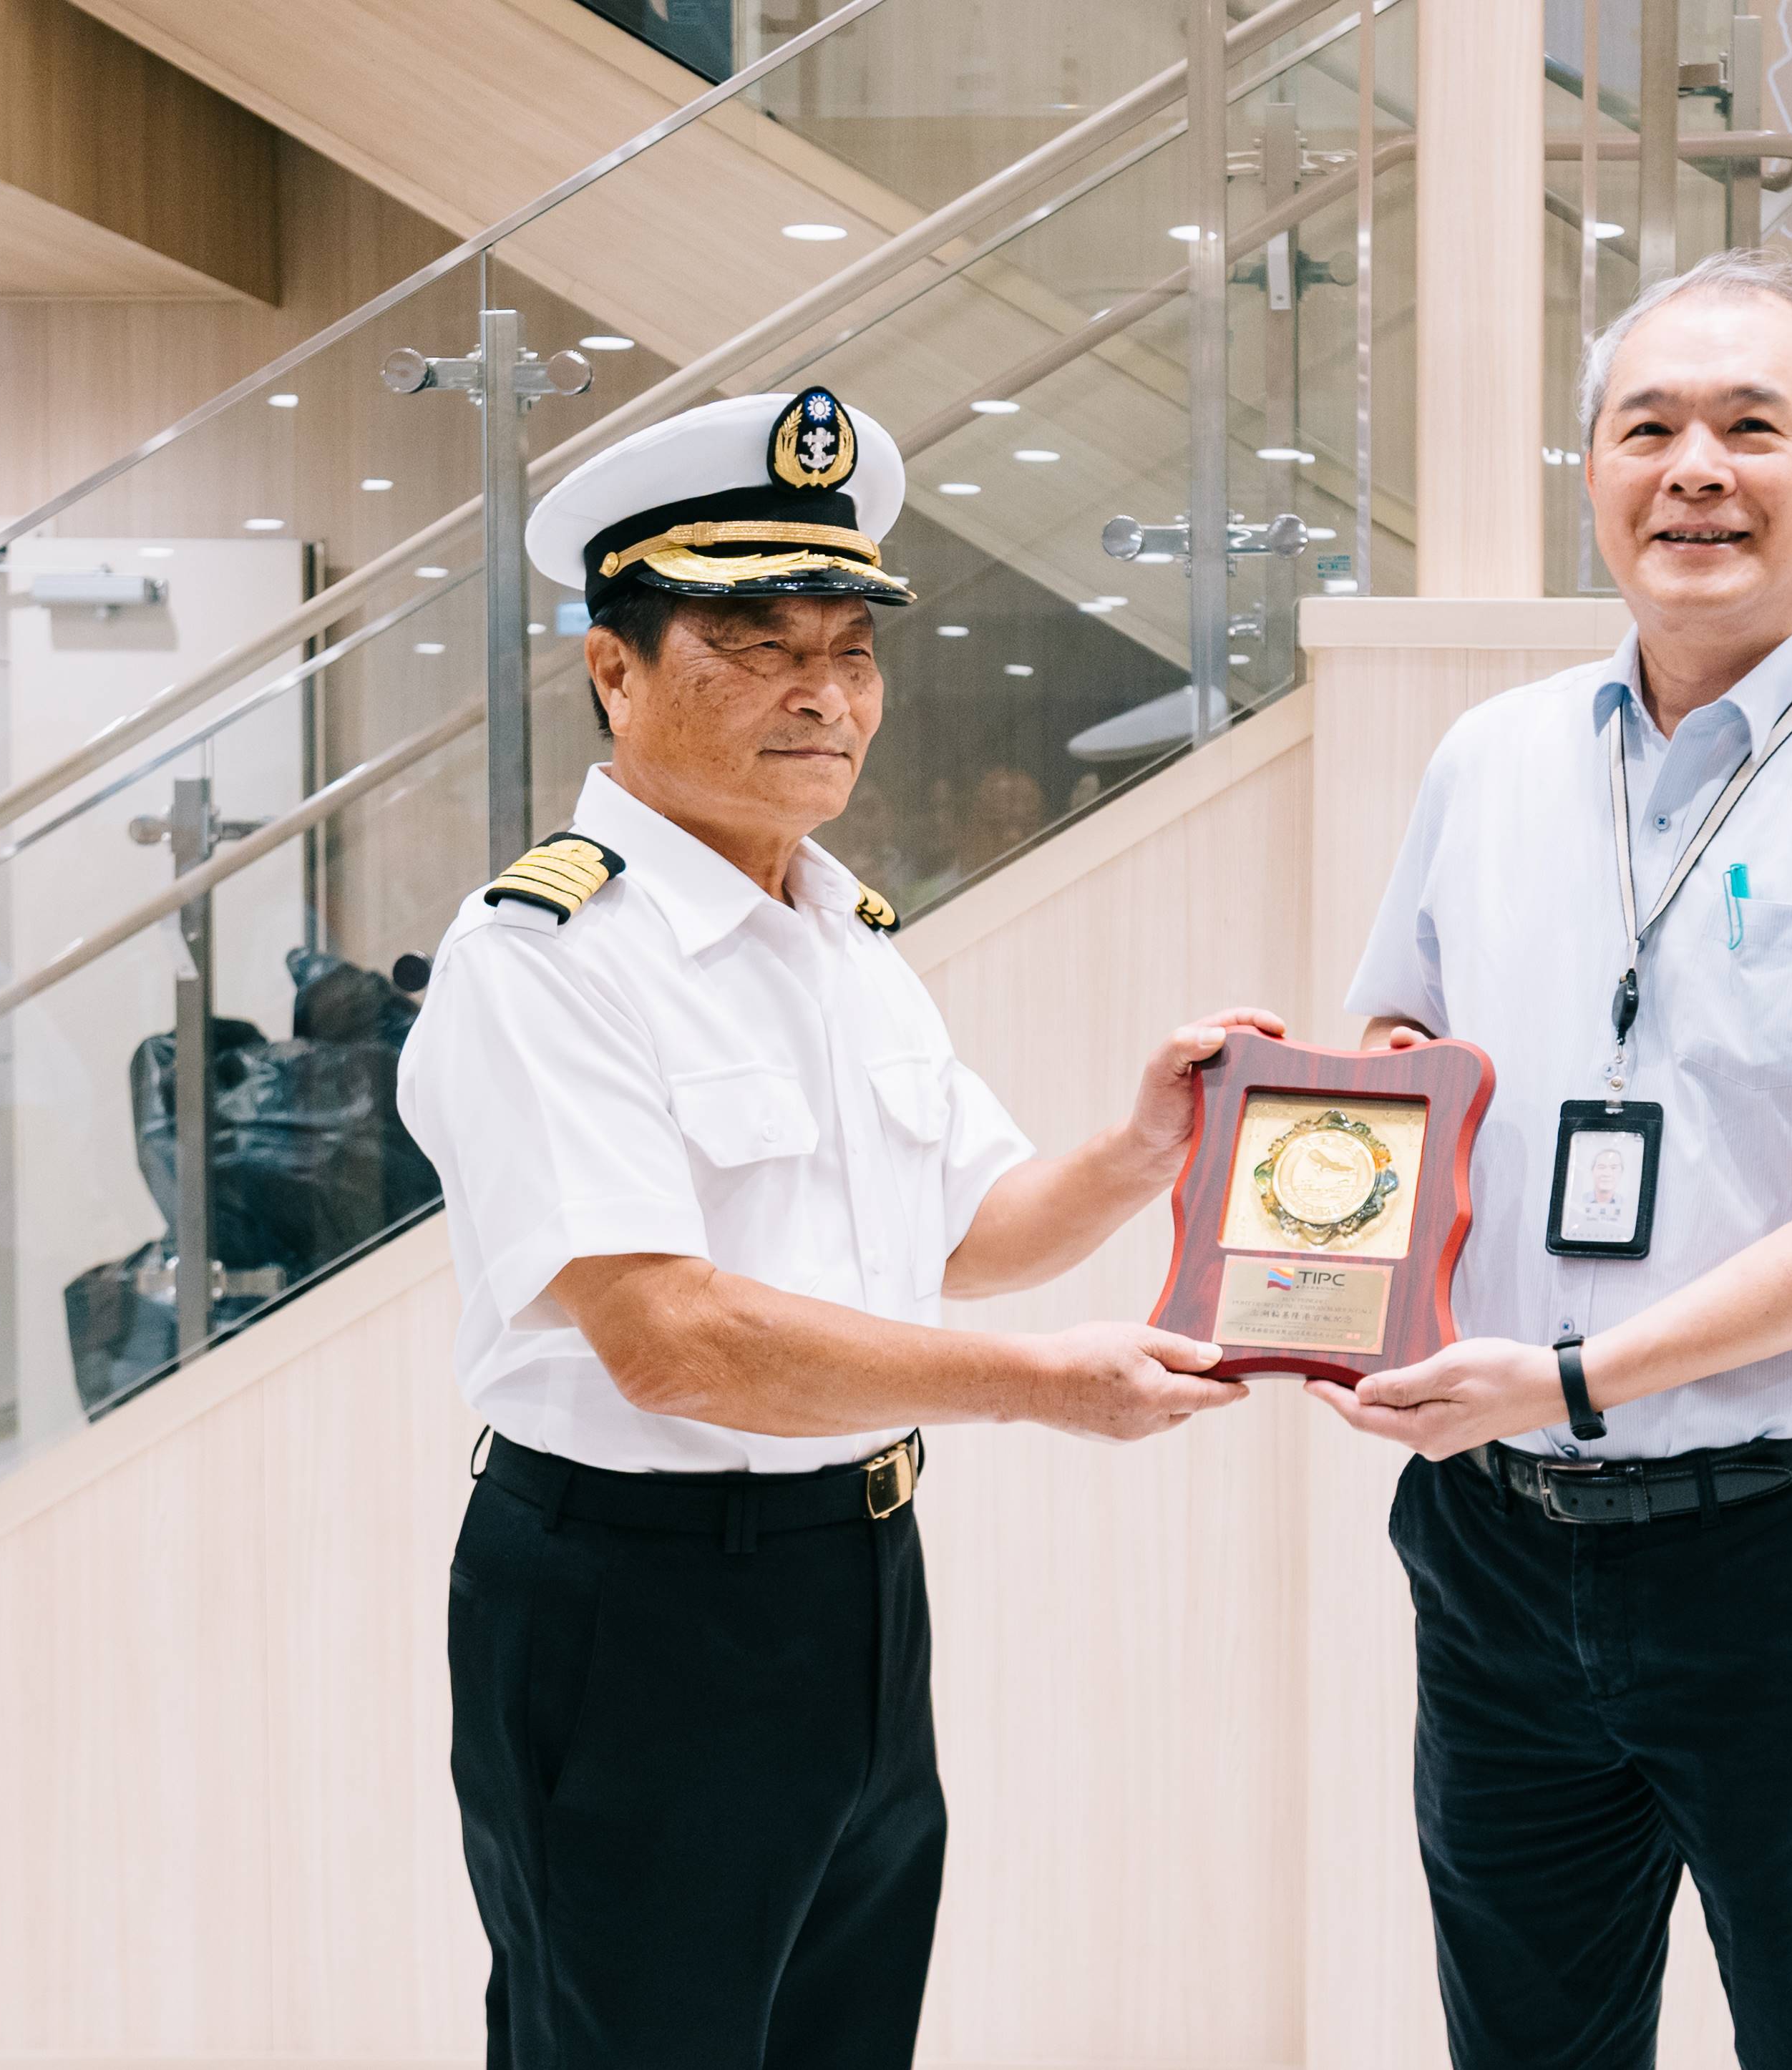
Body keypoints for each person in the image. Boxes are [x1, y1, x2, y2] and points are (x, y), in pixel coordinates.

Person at [396, 386, 1275, 2069]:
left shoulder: (838, 933)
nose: (823, 693)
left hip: (856, 1580)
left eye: (851, 652)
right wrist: (1040, 1387)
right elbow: (669, 1341)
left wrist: (1138, 1147)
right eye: (755, 645)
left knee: (842, 2035)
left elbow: (966, 1232)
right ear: (614, 669)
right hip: (636, 1603)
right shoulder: (546, 959)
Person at [1315, 250, 1792, 2069]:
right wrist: (1334, 1136)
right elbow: (1401, 1041)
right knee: (1524, 2040)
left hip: (1788, 1544)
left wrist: (1580, 1371)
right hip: (1493, 1541)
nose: (1694, 471)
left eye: (1751, 426)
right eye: (1645, 427)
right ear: (1589, 470)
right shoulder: (1489, 760)